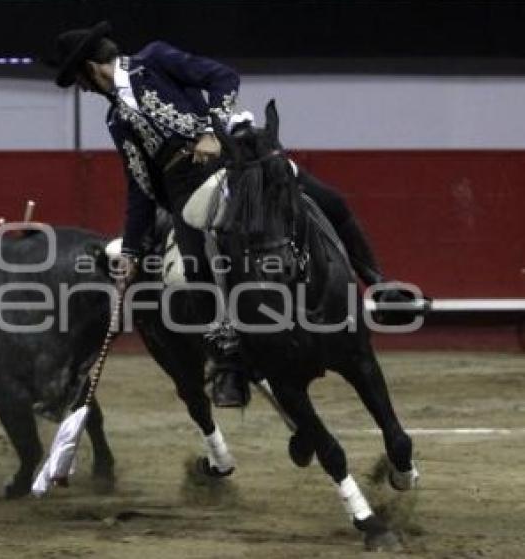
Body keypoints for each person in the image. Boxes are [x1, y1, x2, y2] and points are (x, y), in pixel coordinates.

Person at [51, 21, 415, 405]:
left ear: (90, 69)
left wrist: (210, 131)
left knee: (331, 201)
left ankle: (378, 283)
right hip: (186, 191)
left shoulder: (154, 60)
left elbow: (223, 77)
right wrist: (131, 252)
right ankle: (230, 360)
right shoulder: (116, 120)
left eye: (79, 80)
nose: (84, 90)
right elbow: (139, 186)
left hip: (236, 156)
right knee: (193, 267)